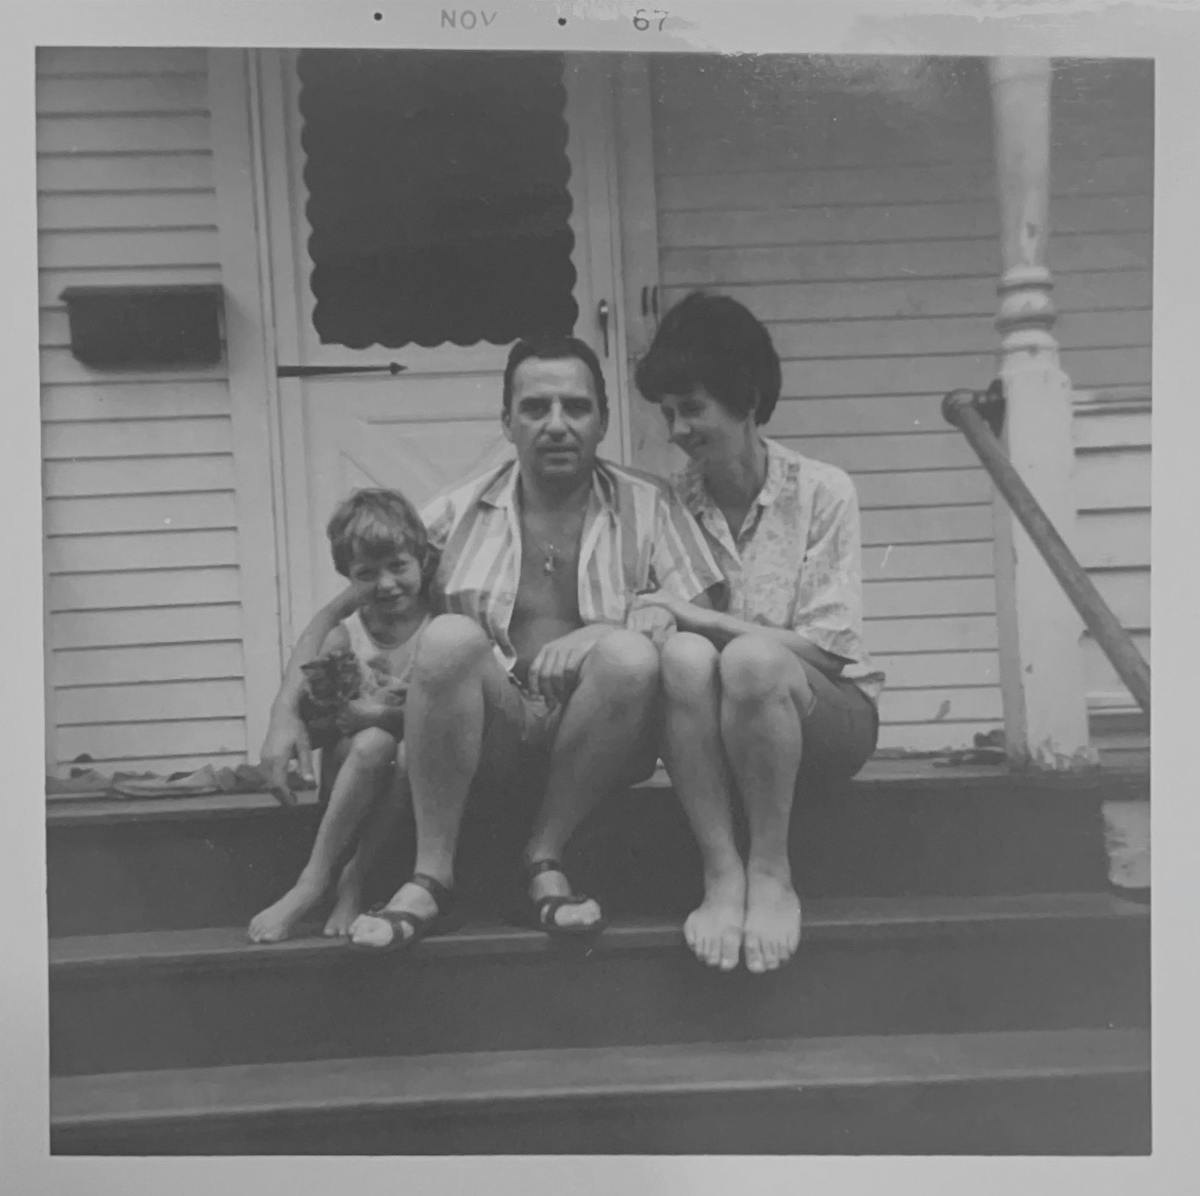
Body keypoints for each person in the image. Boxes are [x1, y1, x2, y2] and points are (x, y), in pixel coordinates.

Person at [259, 334, 724, 951]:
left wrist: (608, 630)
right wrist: (284, 710)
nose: (556, 425)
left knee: (630, 654)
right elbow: (348, 600)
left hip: (604, 734)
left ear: (604, 420)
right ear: (507, 421)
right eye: (535, 408)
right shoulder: (457, 514)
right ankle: (432, 873)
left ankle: (545, 853)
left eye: (576, 408)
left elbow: (707, 616)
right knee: (450, 638)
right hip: (493, 731)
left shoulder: (651, 505)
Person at [631, 292, 884, 976]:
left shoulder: (823, 491)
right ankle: (723, 872)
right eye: (669, 413)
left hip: (826, 717)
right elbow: (663, 623)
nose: (678, 429)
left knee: (747, 657)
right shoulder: (667, 504)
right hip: (719, 723)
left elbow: (830, 649)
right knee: (683, 654)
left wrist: (701, 617)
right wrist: (657, 617)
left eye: (693, 408)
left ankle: (770, 872)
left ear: (744, 398)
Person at [248, 489, 433, 942]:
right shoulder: (344, 636)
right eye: (367, 574)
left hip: (412, 771)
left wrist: (382, 713)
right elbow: (323, 724)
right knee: (374, 744)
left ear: (423, 561)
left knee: (405, 749)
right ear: (348, 578)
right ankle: (313, 881)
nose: (386, 584)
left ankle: (355, 878)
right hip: (354, 767)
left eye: (398, 567)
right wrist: (354, 713)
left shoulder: (440, 626)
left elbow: (445, 716)